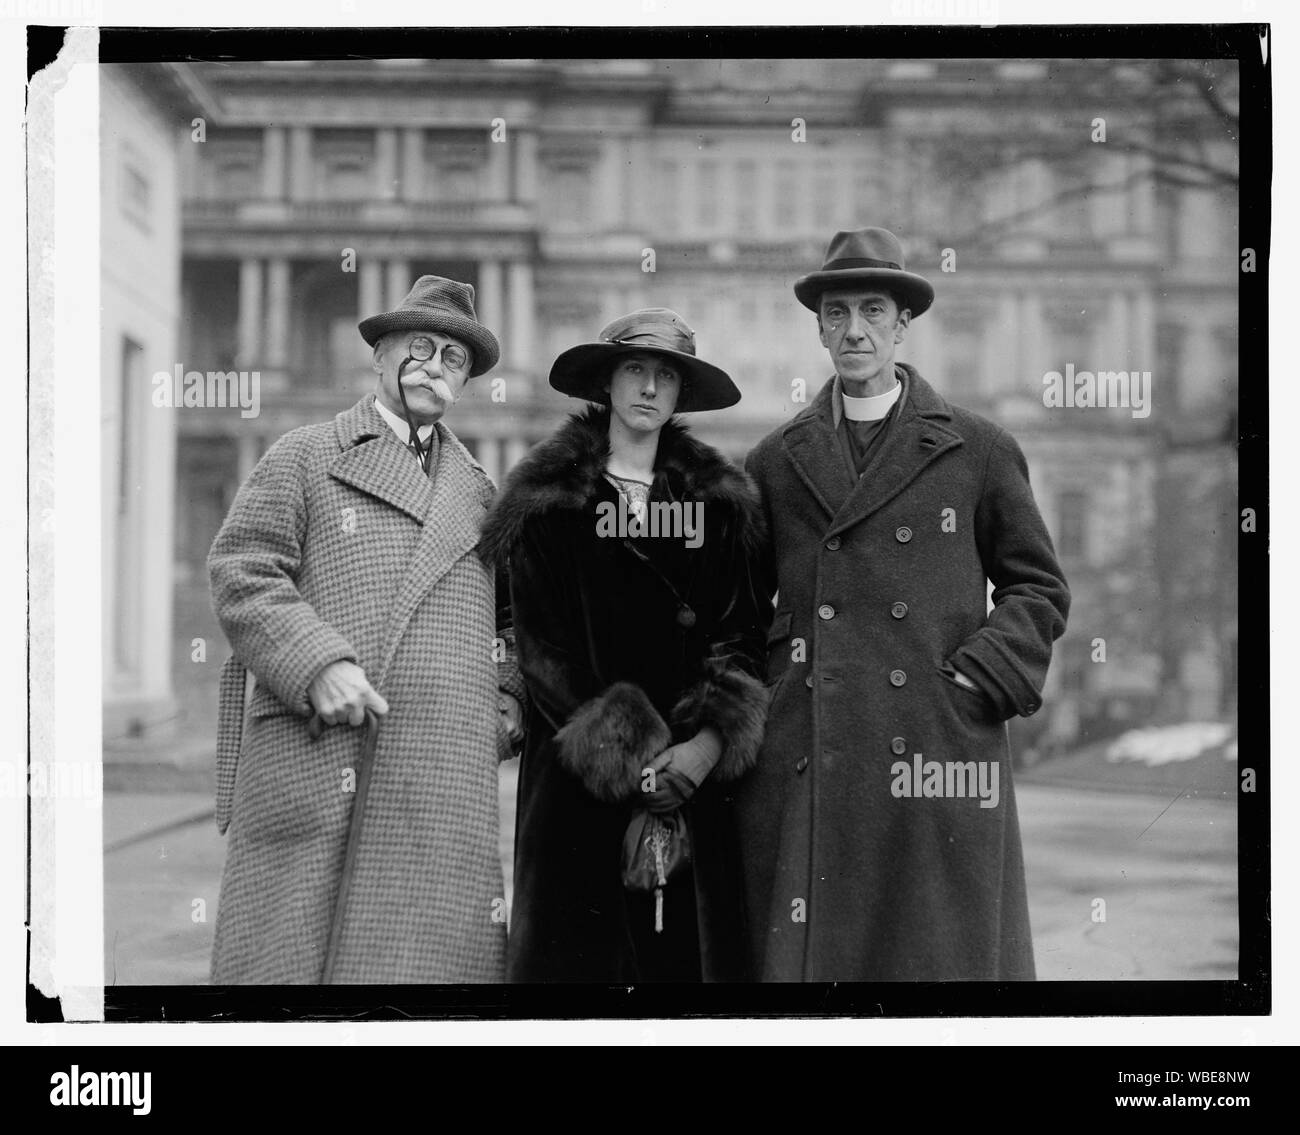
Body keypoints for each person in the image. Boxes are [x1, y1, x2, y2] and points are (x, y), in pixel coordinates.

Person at [737, 228, 1071, 981]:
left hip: (934, 745)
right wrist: (769, 697)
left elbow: (1038, 585)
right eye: (838, 313)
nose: (855, 329)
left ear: (901, 325)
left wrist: (980, 676)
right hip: (812, 751)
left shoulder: (978, 448)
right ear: (819, 327)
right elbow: (743, 608)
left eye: (873, 311)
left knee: (931, 962)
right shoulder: (773, 459)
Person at [208, 275, 525, 983]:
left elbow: (513, 627)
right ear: (380, 357)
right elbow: (242, 570)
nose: (433, 366)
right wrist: (316, 663)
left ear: (465, 382)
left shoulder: (479, 493)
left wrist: (500, 709)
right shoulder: (305, 453)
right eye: (418, 347)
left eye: (453, 358)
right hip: (319, 752)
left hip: (438, 779)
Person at [479, 308, 770, 982]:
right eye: (635, 370)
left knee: (682, 977)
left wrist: (702, 749)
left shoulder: (721, 503)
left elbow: (742, 632)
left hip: (690, 788)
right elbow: (538, 644)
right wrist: (633, 756)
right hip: (578, 780)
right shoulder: (546, 499)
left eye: (666, 376)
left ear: (679, 395)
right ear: (606, 384)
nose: (648, 387)